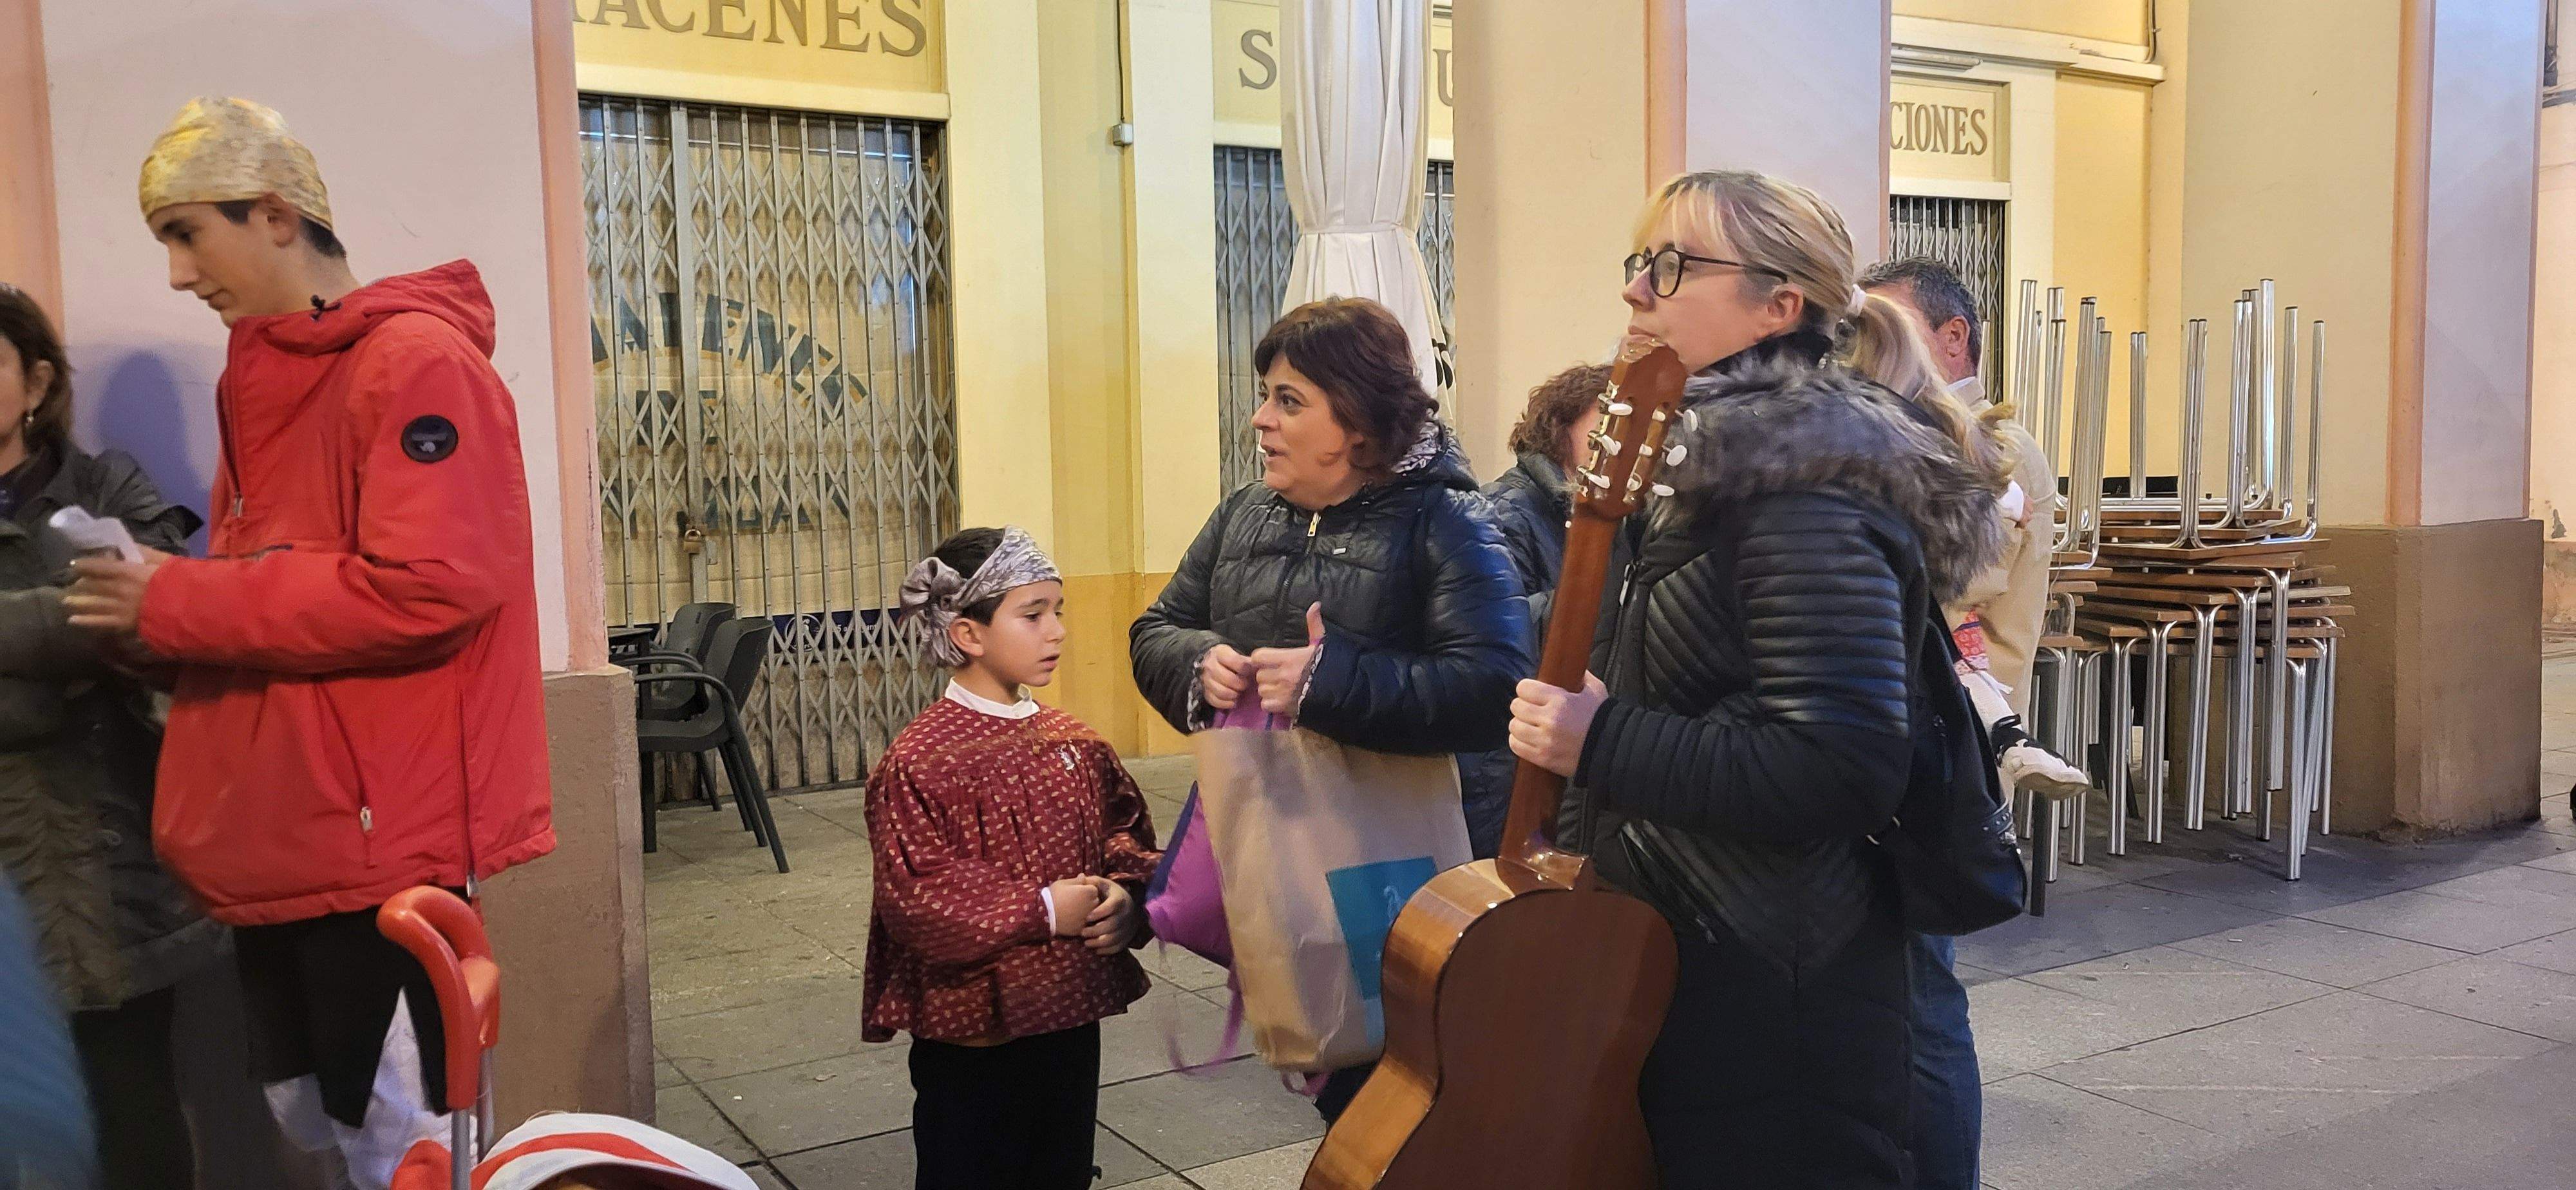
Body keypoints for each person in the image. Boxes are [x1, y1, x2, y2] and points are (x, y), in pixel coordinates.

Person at [62, 97, 554, 1189]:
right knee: (319, 1124)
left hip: (376, 841)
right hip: (287, 834)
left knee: (406, 1144)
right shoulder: (267, 371)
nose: (181, 275)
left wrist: (181, 605)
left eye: (188, 234)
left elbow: (433, 582)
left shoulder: (413, 363)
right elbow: (273, 591)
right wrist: (148, 620)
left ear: (276, 214)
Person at [1505, 170, 2006, 1189]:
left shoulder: (1801, 491)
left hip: (1780, 982)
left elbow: (1840, 763)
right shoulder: (1703, 470)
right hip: (1704, 948)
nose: (1636, 292)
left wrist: (1600, 741)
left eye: (1672, 266)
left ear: (1780, 305)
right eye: (1637, 264)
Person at [1129, 297, 1530, 1120]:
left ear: (1355, 419)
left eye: (1288, 400)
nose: (1260, 420)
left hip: (1403, 856)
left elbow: (1495, 686)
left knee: (1401, 1076)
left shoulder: (1448, 523)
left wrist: (1330, 683)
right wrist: (1196, 664)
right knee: (1329, 1050)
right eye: (1267, 397)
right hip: (1278, 837)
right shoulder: (1243, 513)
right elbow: (1156, 627)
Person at [1860, 256, 2090, 1190]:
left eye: (1889, 330)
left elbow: (1955, 576)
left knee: (1925, 994)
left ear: (1952, 339)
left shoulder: (1996, 443)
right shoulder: (1914, 432)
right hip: (1916, 726)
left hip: (1955, 733)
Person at [0, 284, 225, 1189]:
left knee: (129, 1107)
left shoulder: (107, 486)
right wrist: (45, 668)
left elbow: (135, 622)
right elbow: (77, 628)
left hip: (104, 855)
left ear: (36, 381)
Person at [864, 525, 1160, 1190]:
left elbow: (1122, 836)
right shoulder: (919, 760)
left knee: (1059, 1165)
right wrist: (1046, 908)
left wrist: (1125, 898)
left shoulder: (1074, 743)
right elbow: (918, 896)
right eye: (1032, 615)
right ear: (967, 634)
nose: (1055, 631)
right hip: (971, 1030)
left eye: (1058, 612)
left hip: (1067, 1013)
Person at [1457, 363, 1608, 856]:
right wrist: (1601, 597)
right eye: (1601, 423)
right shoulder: (1507, 509)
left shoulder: (1587, 507)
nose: (1614, 439)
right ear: (1561, 428)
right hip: (1503, 757)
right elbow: (1496, 627)